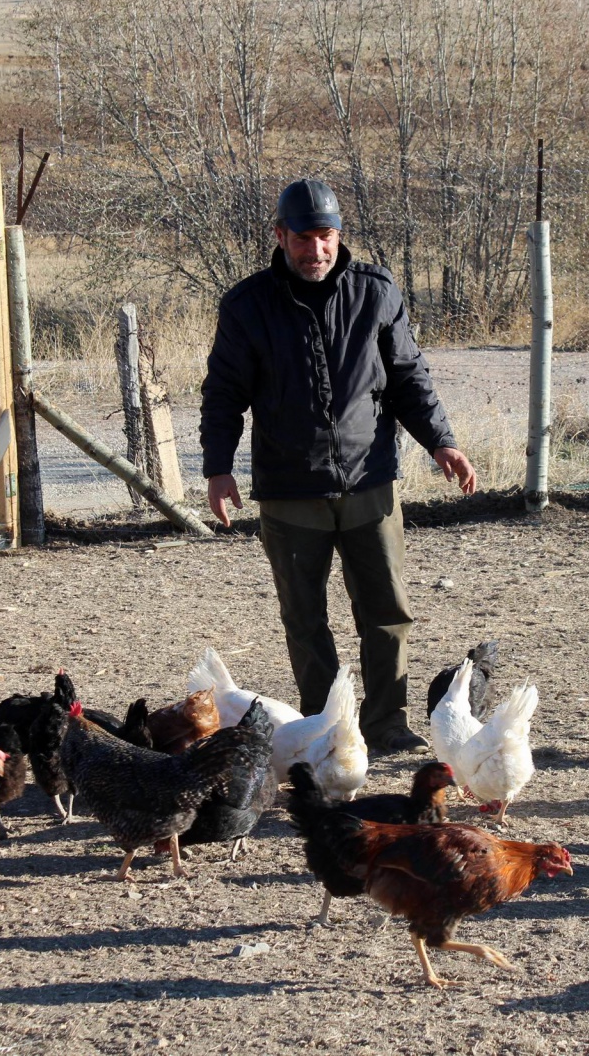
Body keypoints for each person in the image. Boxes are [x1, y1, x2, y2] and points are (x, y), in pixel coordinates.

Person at [199, 179, 477, 756]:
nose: (316, 250)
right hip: (288, 489)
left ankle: (385, 723)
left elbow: (408, 378)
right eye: (303, 238)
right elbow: (223, 393)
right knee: (305, 621)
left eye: (325, 237)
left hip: (369, 481)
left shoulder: (376, 292)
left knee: (387, 612)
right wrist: (218, 467)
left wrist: (441, 442)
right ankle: (328, 730)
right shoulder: (247, 306)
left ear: (338, 235)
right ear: (280, 236)